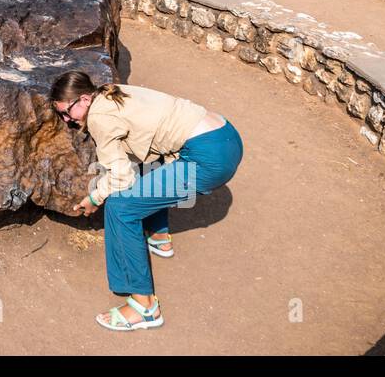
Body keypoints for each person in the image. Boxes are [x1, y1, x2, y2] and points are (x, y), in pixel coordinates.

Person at [50, 71, 244, 332]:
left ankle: (145, 307)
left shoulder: (99, 118)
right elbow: (141, 150)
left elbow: (120, 178)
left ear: (84, 99)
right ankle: (158, 236)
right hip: (226, 135)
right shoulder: (110, 91)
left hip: (208, 157)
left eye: (67, 112)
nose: (66, 120)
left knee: (120, 208)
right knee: (146, 165)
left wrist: (95, 197)